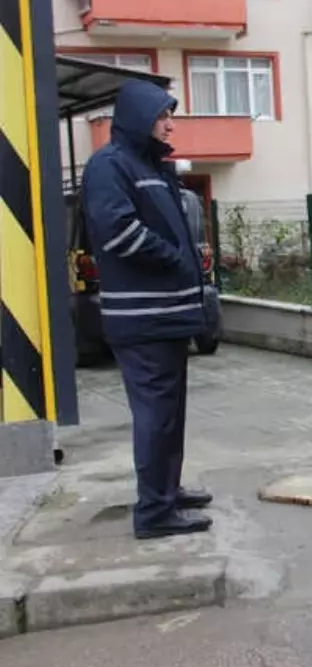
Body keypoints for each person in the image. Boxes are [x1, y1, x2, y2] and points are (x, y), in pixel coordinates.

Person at [80, 79, 214, 540]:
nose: (170, 125)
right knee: (155, 417)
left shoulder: (150, 166)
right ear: (139, 118)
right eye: (163, 117)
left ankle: (166, 492)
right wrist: (175, 257)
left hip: (166, 315)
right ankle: (154, 512)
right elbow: (118, 232)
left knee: (169, 414)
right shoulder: (109, 167)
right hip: (144, 319)